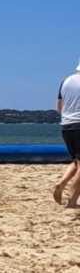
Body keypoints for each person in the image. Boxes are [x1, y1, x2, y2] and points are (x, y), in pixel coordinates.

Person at [55, 60, 80, 206]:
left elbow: (59, 107)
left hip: (66, 125)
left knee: (77, 162)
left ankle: (61, 183)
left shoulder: (66, 81)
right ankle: (72, 200)